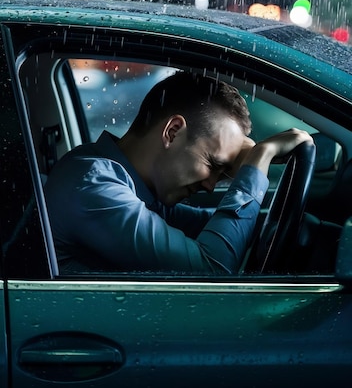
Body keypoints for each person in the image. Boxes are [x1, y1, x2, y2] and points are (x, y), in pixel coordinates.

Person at [44, 71, 313, 274]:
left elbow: (211, 225)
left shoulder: (133, 185)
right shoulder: (93, 185)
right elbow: (212, 269)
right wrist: (259, 158)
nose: (210, 186)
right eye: (213, 165)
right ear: (172, 133)